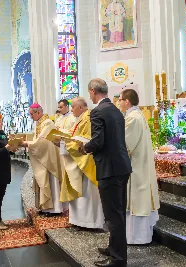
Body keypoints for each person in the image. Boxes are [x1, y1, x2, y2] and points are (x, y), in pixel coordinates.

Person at [82, 78, 132, 267]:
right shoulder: (116, 111)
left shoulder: (97, 112)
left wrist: (84, 147)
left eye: (90, 92)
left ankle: (118, 260)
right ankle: (113, 249)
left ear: (94, 91)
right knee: (117, 213)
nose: (89, 96)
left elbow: (98, 142)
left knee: (113, 216)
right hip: (121, 167)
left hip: (109, 169)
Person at [118, 89, 160, 244]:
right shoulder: (137, 115)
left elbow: (126, 144)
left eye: (120, 100)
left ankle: (137, 238)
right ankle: (136, 236)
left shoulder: (133, 118)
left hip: (136, 166)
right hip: (138, 164)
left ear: (127, 101)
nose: (119, 103)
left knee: (137, 200)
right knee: (138, 200)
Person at [59, 97, 104, 229]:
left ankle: (90, 222)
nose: (71, 110)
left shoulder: (88, 118)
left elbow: (89, 139)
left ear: (80, 107)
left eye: (73, 107)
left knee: (87, 193)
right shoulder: (80, 119)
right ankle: (78, 221)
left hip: (86, 161)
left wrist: (67, 142)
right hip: (78, 161)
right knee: (79, 191)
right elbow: (74, 135)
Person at [20, 103, 64, 216]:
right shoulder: (40, 123)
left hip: (48, 158)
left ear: (38, 112)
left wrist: (26, 144)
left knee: (50, 181)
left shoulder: (48, 123)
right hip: (42, 157)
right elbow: (37, 140)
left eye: (31, 114)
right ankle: (45, 207)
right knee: (42, 180)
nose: (30, 116)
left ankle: (54, 209)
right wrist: (29, 143)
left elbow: (41, 142)